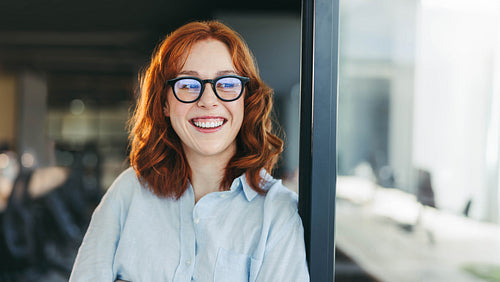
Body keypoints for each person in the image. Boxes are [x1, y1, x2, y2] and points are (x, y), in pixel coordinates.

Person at [69, 20, 309, 282]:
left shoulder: (277, 213)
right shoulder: (128, 192)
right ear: (164, 103)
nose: (208, 100)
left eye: (227, 84)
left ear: (246, 99)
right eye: (188, 84)